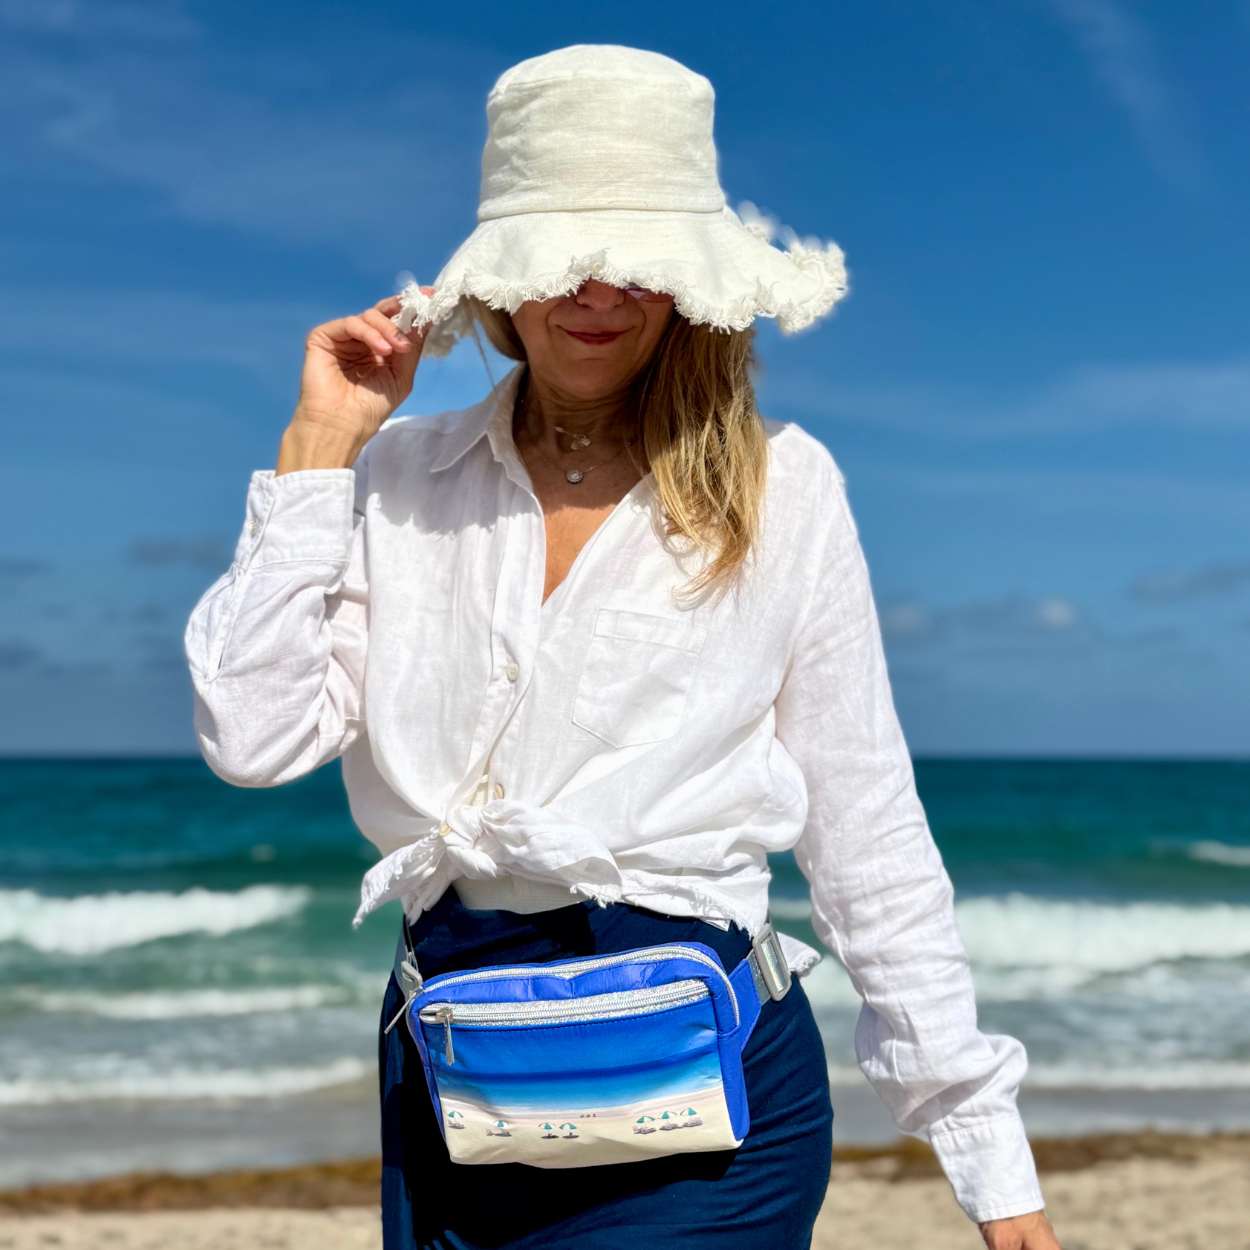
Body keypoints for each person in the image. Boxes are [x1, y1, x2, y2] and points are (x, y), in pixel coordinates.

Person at [184, 43, 1062, 1250]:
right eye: (561, 258)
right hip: (458, 1078)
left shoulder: (784, 488)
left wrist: (983, 1149)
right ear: (503, 276)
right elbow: (252, 733)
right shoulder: (391, 478)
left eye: (635, 262)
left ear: (686, 280)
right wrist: (316, 448)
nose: (595, 292)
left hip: (712, 1103)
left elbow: (863, 822)